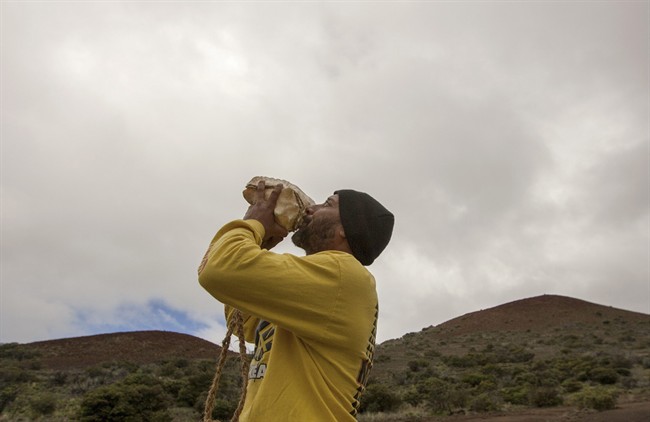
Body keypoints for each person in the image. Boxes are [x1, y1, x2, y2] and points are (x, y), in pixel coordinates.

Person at [198, 180, 394, 421]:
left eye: (327, 204)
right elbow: (245, 324)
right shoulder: (319, 288)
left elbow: (218, 270)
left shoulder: (342, 274)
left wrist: (254, 223)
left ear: (346, 229)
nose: (311, 208)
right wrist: (260, 246)